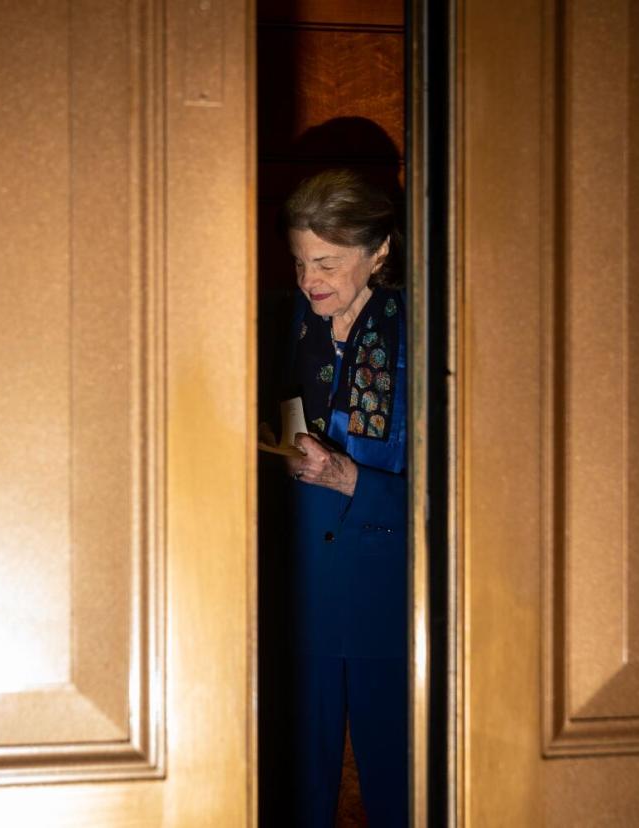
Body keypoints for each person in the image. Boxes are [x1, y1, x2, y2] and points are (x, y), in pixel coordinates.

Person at [267, 169, 407, 826]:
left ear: (379, 250)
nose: (308, 278)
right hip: (301, 594)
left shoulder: (427, 333)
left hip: (394, 597)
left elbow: (470, 496)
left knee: (399, 789)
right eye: (299, 261)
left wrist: (351, 481)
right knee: (295, 792)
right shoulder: (289, 322)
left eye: (326, 261)